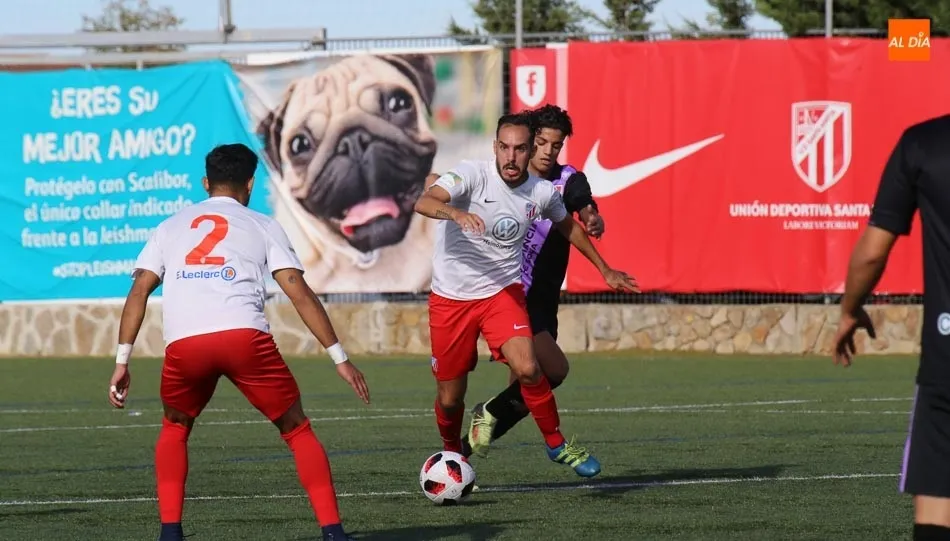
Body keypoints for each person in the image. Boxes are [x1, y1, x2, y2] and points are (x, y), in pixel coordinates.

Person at [106, 143, 368, 541]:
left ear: (205, 183)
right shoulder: (262, 224)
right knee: (297, 430)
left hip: (186, 344)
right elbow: (298, 292)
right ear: (249, 184)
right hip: (245, 338)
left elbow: (140, 288)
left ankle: (170, 533)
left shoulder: (170, 226)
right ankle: (333, 533)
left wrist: (122, 361)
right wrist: (340, 358)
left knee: (174, 428)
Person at [414, 112, 639, 478]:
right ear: (496, 148)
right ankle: (453, 454)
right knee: (450, 398)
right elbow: (424, 202)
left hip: (502, 294)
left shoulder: (542, 192)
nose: (512, 156)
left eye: (520, 149)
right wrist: (455, 214)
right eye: (505, 147)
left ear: (527, 150)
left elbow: (570, 228)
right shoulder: (472, 174)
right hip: (451, 299)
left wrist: (605, 269)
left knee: (530, 368)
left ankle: (556, 444)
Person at [832, 115, 950, 541]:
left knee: (937, 506)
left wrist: (850, 309)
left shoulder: (924, 143)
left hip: (946, 359)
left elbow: (871, 253)